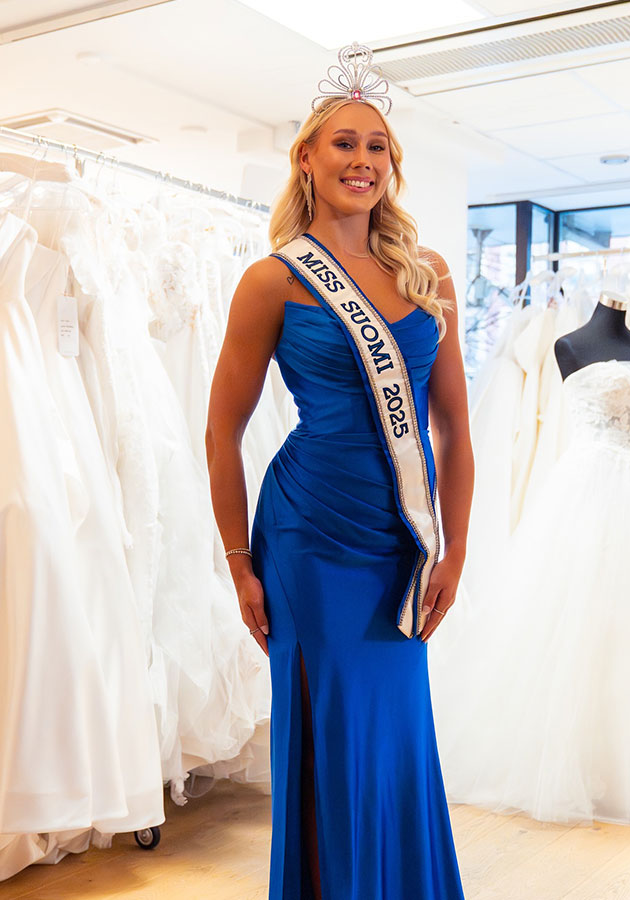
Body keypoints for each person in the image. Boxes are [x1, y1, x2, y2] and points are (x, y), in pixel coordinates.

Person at [206, 43, 473, 900]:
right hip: (309, 537)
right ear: (308, 158)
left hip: (400, 539)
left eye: (377, 147)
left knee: (395, 733)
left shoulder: (425, 275)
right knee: (331, 730)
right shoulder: (271, 282)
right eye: (344, 143)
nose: (363, 160)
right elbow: (221, 428)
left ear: (393, 165)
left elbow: (455, 429)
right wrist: (238, 561)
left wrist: (456, 550)